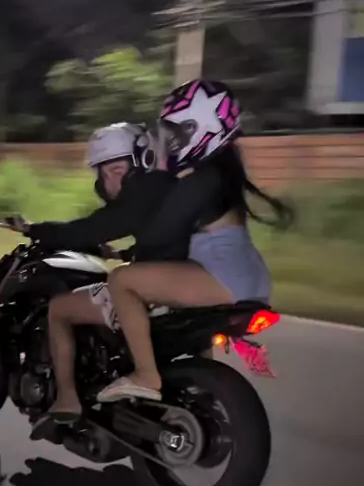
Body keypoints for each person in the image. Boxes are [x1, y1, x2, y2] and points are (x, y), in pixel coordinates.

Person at [95, 78, 294, 404]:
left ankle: (145, 375)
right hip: (248, 277)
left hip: (224, 279)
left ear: (199, 129)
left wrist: (131, 248)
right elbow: (184, 236)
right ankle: (201, 388)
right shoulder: (221, 174)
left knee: (122, 281)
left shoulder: (203, 179)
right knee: (181, 317)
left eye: (176, 132)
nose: (171, 142)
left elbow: (160, 233)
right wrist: (130, 251)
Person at [6, 122, 177, 432]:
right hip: (183, 278)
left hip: (156, 287)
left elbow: (85, 230)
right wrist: (125, 254)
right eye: (105, 171)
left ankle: (67, 399)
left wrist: (33, 229)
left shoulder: (139, 193)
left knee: (59, 310)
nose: (108, 179)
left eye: (115, 169)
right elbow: (162, 236)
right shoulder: (167, 186)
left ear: (140, 162)